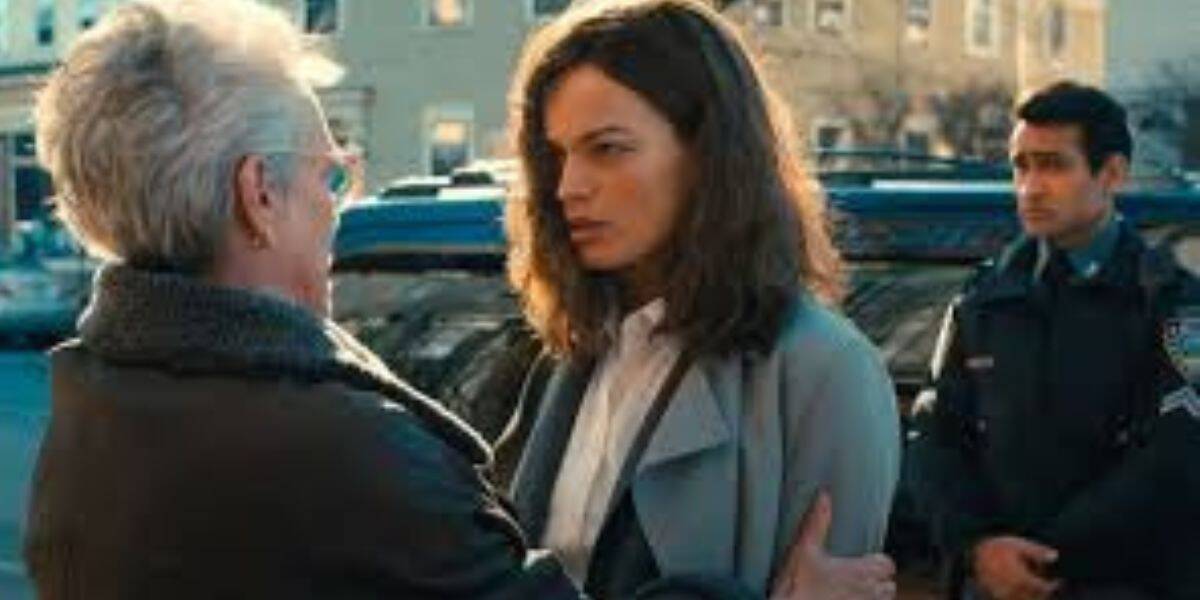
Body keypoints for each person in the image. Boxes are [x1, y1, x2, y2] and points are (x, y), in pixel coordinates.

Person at [498, 1, 902, 598]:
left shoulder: (823, 370)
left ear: (709, 155)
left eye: (607, 148)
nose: (568, 187)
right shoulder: (567, 358)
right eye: (556, 156)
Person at [908, 81, 1200, 599]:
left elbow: (1177, 455)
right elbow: (934, 434)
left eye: (1053, 165)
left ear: (1112, 173)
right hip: (992, 582)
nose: (1031, 186)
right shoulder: (983, 299)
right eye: (1021, 166)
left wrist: (1041, 558)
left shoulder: (1172, 304)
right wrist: (978, 546)